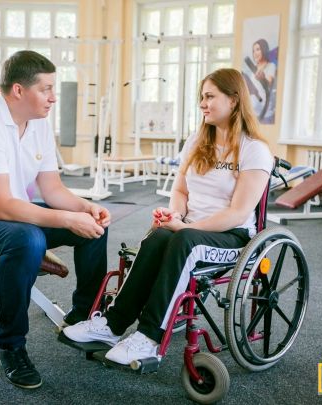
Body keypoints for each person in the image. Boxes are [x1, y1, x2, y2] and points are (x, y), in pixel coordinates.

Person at [63, 68, 272, 365]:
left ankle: (149, 338)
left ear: (234, 100)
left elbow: (237, 213)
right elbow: (181, 191)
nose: (202, 103)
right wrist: (174, 215)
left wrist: (184, 227)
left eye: (210, 97)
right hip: (190, 229)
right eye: (202, 97)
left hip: (232, 237)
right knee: (160, 235)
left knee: (183, 240)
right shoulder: (197, 141)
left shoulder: (255, 150)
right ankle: (112, 325)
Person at [0, 50, 111, 389]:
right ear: (18, 90)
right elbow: (2, 207)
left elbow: (52, 189)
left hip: (11, 216)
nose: (53, 97)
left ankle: (84, 318)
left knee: (93, 226)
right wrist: (66, 219)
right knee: (28, 238)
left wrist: (84, 207)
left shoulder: (39, 123)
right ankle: (11, 345)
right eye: (46, 89)